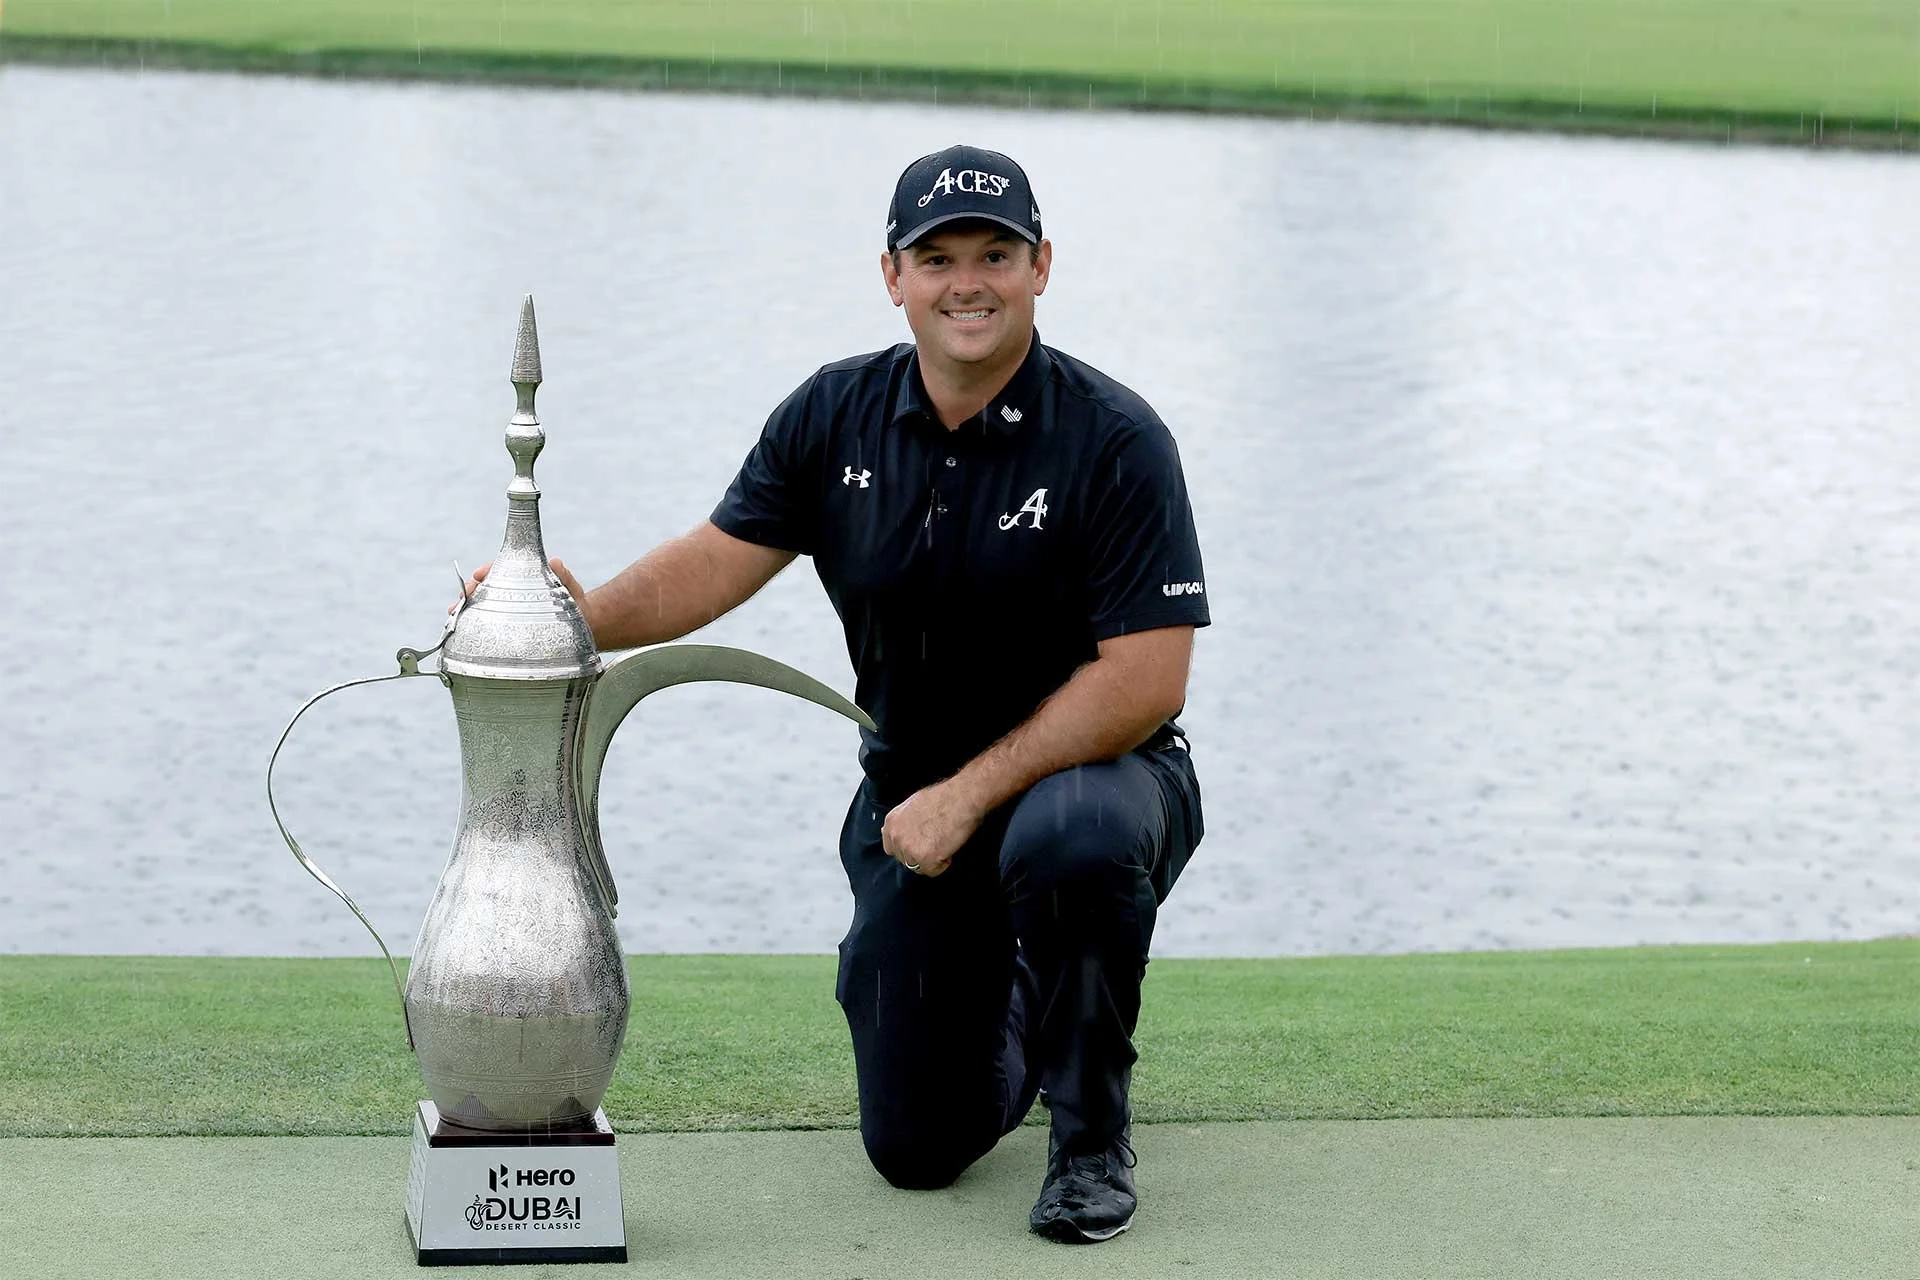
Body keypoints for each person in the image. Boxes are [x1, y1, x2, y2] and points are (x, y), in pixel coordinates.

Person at [476, 144, 1209, 1242]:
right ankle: (1032, 996)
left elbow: (1147, 679)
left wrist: (973, 796)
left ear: (1042, 265)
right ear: (893, 275)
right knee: (915, 1146)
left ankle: (1091, 1138)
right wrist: (571, 607)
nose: (968, 279)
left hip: (1097, 778)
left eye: (996, 254)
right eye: (939, 255)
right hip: (912, 810)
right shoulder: (834, 416)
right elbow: (715, 560)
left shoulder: (1117, 440)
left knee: (1077, 840)